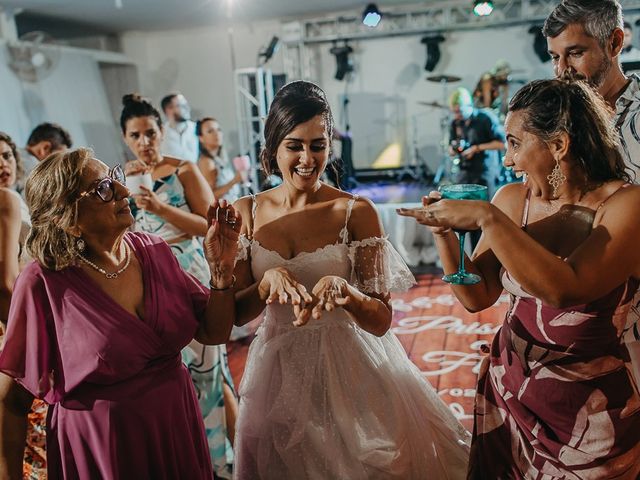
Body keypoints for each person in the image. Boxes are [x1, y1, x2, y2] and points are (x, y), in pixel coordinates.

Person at [398, 75, 640, 478]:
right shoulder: (512, 200)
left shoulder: (626, 204)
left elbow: (567, 288)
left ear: (559, 145)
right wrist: (443, 236)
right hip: (510, 392)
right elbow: (478, 296)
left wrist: (485, 218)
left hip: (589, 413)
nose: (507, 160)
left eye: (514, 143)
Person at [230, 80, 471, 479]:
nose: (308, 159)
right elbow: (238, 315)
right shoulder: (247, 213)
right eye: (295, 145)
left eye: (318, 145)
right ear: (273, 146)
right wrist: (265, 283)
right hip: (278, 373)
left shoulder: (355, 212)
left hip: (352, 368)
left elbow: (381, 320)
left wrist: (346, 293)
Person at [0, 147, 240, 479]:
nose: (124, 191)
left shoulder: (154, 250)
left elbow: (214, 332)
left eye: (115, 179)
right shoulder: (43, 282)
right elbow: (13, 402)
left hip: (175, 425)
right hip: (104, 445)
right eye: (103, 189)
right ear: (67, 219)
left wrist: (221, 272)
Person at [120, 94, 237, 478]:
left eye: (150, 133)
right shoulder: (122, 177)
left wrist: (159, 208)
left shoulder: (183, 168)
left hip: (189, 267)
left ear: (161, 132)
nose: (144, 142)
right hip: (149, 277)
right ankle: (191, 459)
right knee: (175, 375)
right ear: (125, 138)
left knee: (209, 370)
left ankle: (233, 461)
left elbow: (210, 227)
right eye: (135, 135)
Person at [544, 0, 640, 392]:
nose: (561, 70)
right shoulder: (558, 124)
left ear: (615, 42)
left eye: (575, 53)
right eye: (554, 57)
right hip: (581, 317)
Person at [0, 132, 44, 480]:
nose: (2, 164)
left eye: (6, 156)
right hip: (15, 315)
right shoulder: (8, 200)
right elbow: (9, 279)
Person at [448, 86, 505, 211]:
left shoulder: (485, 118)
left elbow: (502, 144)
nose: (457, 116)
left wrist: (476, 148)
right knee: (463, 211)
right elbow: (450, 146)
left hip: (484, 172)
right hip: (464, 173)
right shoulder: (455, 123)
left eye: (460, 111)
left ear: (470, 106)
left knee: (485, 210)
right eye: (454, 112)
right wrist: (453, 150)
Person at [15, 122, 73, 194]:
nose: (59, 165)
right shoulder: (34, 171)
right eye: (59, 157)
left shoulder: (12, 153)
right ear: (45, 148)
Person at [196, 117, 243, 202]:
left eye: (218, 129)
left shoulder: (218, 159)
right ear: (201, 138)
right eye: (210, 131)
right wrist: (234, 181)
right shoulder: (207, 162)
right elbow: (210, 195)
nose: (216, 134)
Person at [160, 92, 199, 163]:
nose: (187, 108)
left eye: (186, 105)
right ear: (168, 109)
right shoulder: (160, 134)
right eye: (181, 105)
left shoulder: (198, 128)